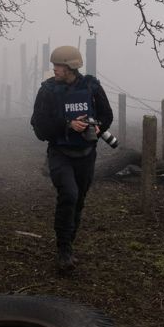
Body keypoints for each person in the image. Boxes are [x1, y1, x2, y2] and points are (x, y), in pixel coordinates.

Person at [30, 45, 113, 273]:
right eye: (54, 65)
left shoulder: (91, 86)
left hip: (86, 154)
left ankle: (69, 243)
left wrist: (97, 128)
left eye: (59, 65)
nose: (54, 69)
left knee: (79, 200)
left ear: (71, 67)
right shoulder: (47, 91)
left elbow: (107, 115)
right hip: (60, 153)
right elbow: (39, 127)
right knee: (69, 194)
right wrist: (67, 125)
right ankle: (63, 249)